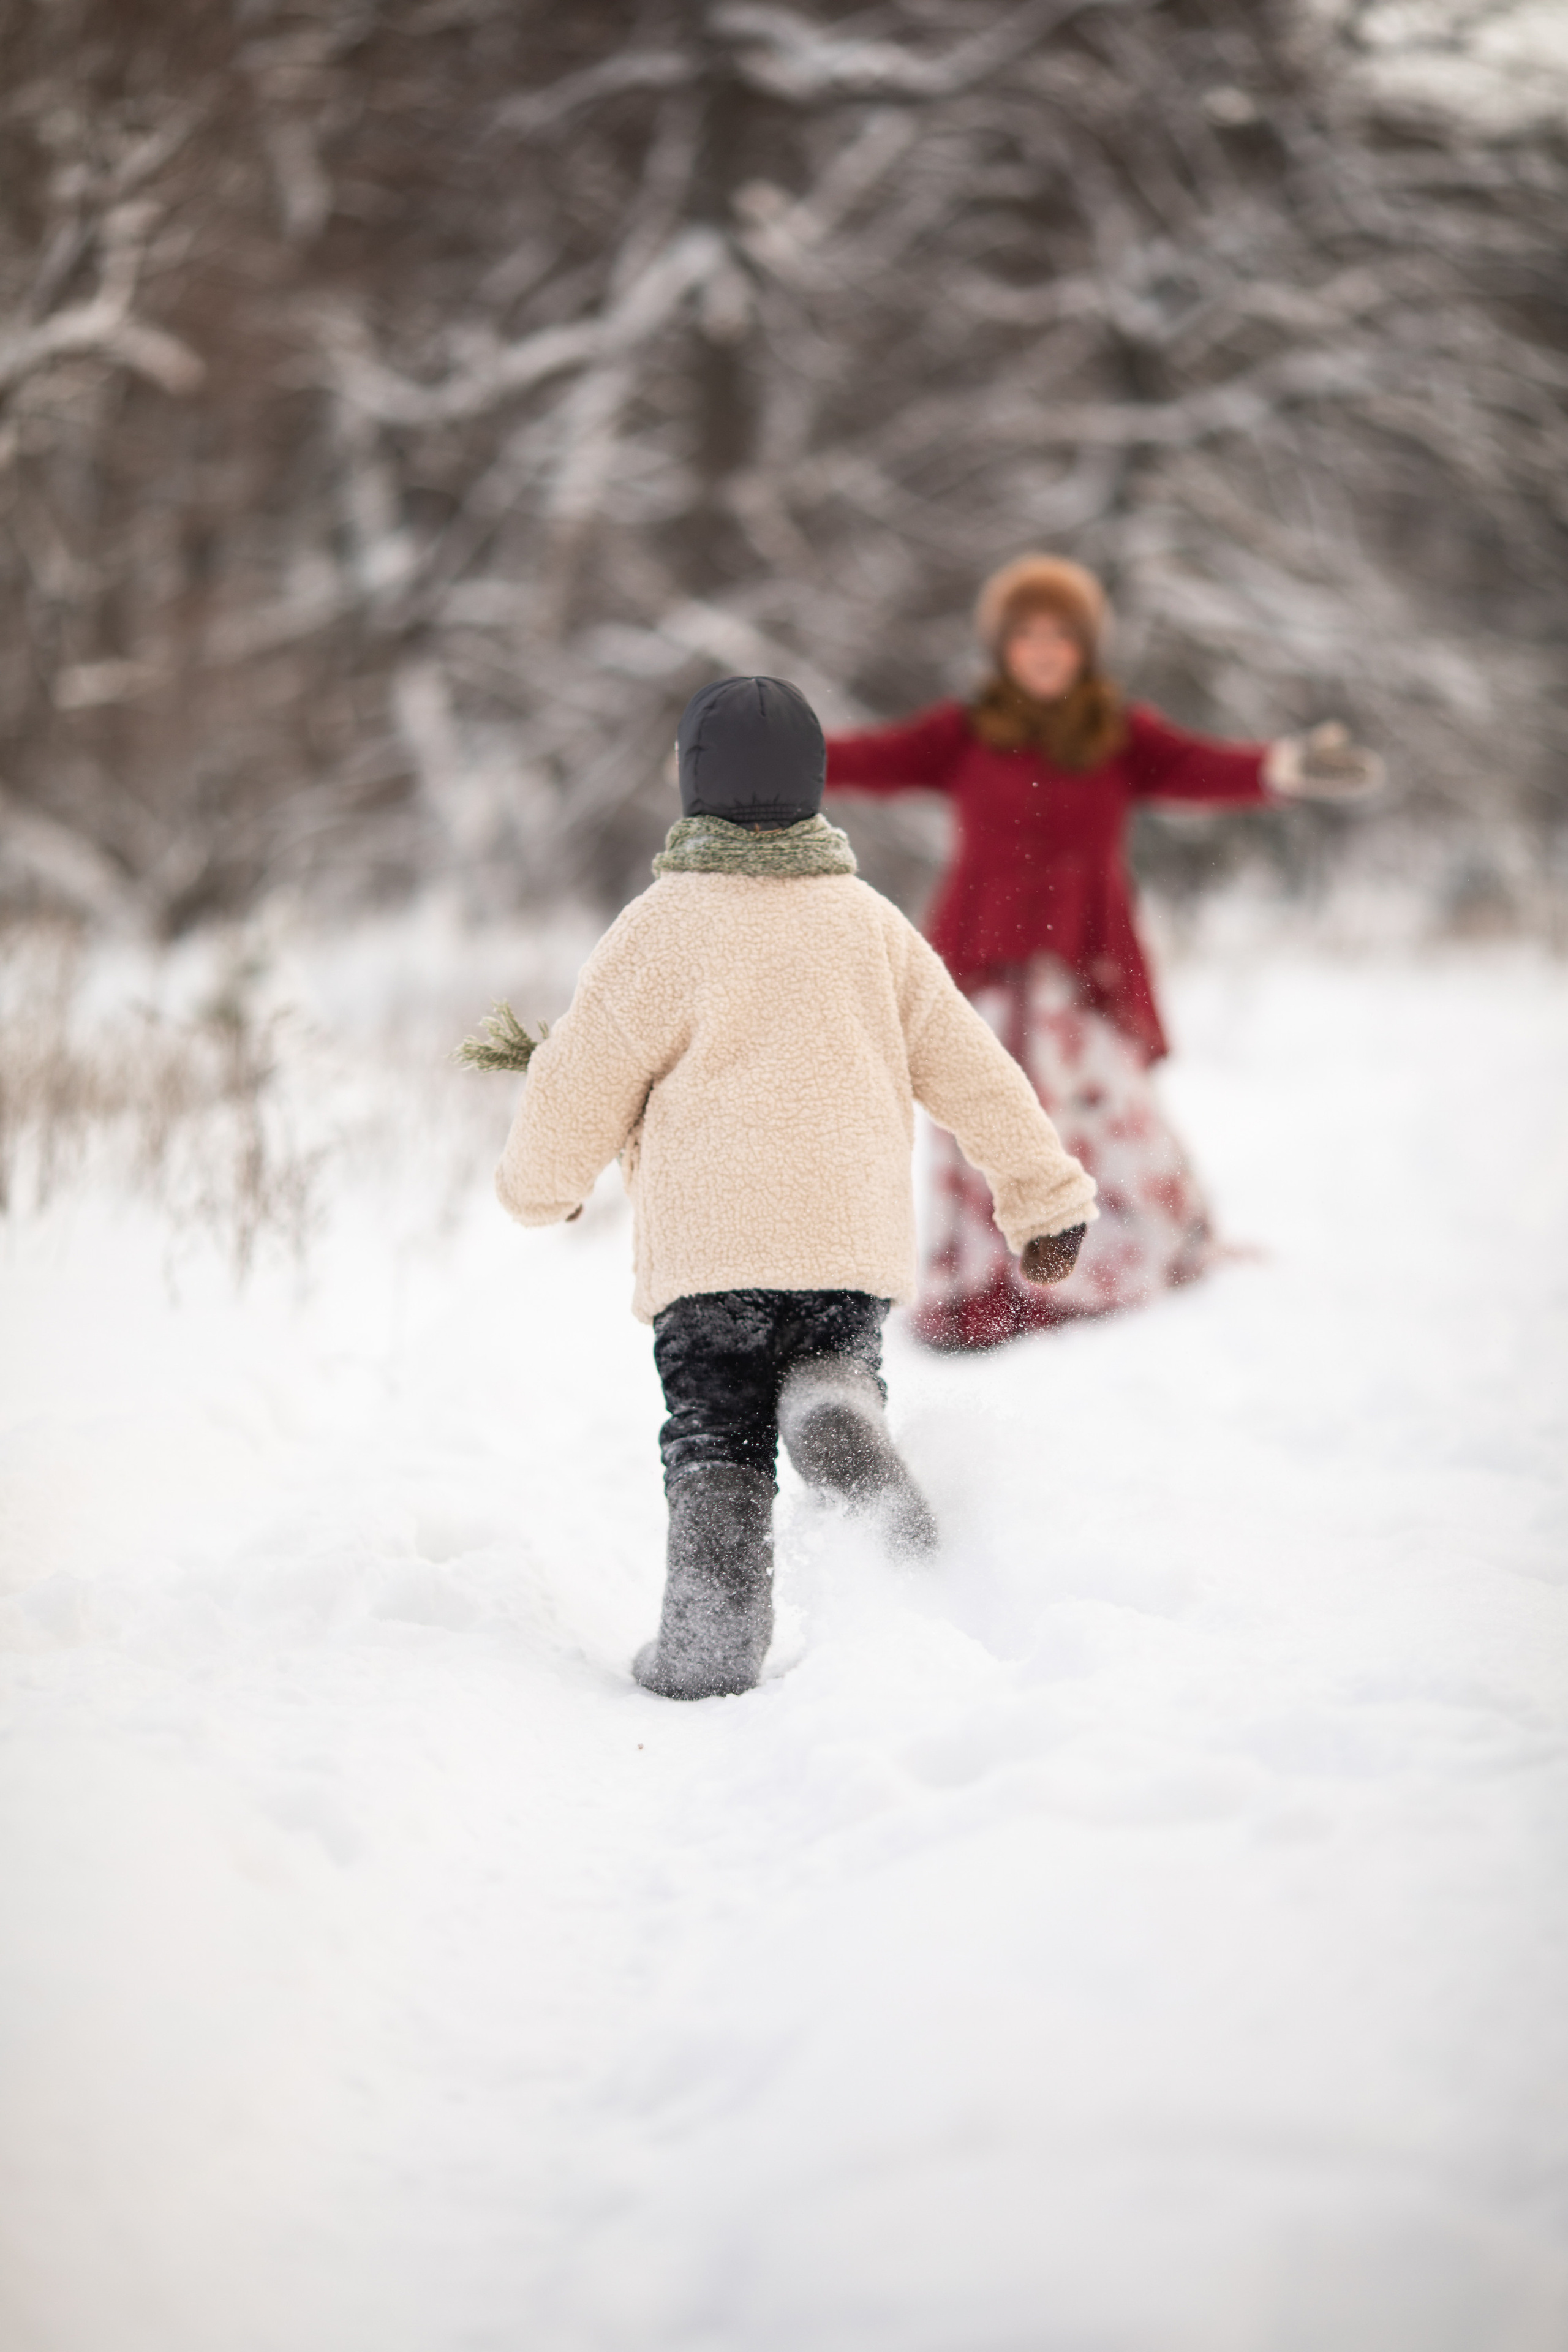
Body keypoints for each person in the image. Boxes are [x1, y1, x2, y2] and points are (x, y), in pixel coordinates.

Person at [494, 675, 1098, 1700]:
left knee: (716, 1433)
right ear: (815, 787)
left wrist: (539, 1188)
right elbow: (972, 1064)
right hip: (843, 1243)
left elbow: (581, 1074)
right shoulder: (869, 927)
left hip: (710, 1256)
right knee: (829, 1354)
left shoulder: (661, 930)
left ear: (691, 783)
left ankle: (714, 1631)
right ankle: (836, 1398)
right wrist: (1042, 1196)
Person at [824, 554, 1382, 1349]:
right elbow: (869, 759)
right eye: (1027, 636)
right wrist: (763, 761)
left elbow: (1204, 767)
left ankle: (1108, 1268)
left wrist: (1281, 768)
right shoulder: (964, 732)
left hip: (1082, 969)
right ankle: (986, 1283)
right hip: (981, 964)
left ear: (1085, 647)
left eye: (1061, 635)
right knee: (978, 1114)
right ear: (1004, 648)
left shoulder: (1117, 734)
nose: (1045, 650)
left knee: (1100, 1110)